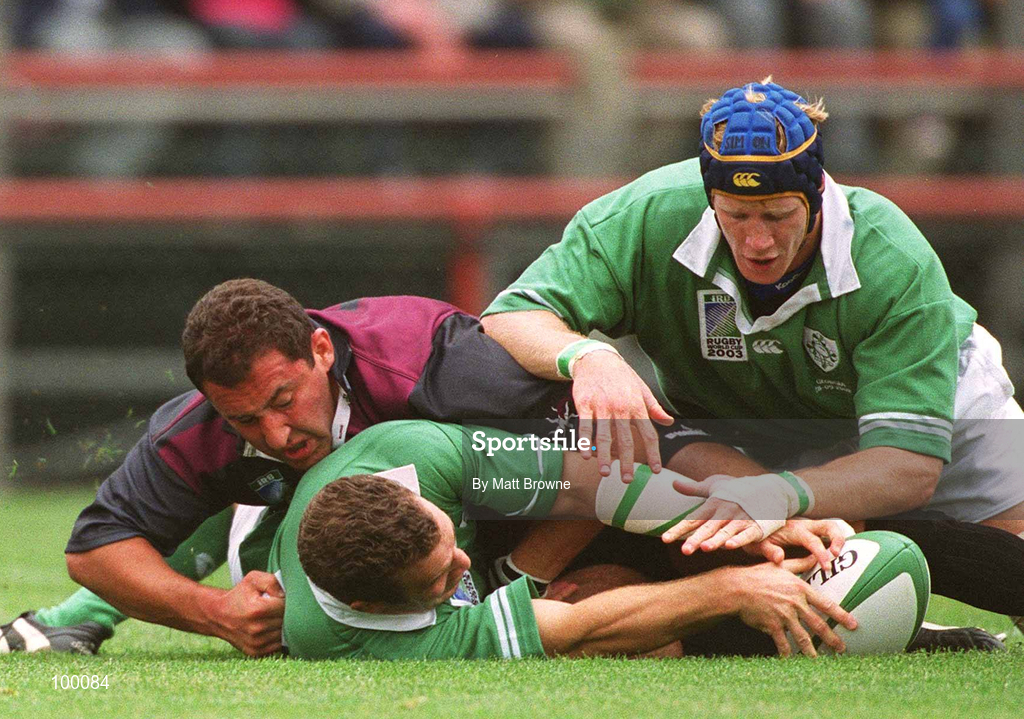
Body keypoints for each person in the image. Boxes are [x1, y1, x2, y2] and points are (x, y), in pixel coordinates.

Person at [479, 79, 1024, 628]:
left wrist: (779, 491)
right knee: (746, 568)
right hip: (751, 429)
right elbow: (511, 316)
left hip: (943, 398)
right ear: (709, 195)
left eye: (777, 214)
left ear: (815, 196)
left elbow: (906, 468)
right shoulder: (645, 217)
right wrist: (588, 358)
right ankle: (911, 628)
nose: (757, 241)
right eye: (736, 215)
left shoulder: (891, 256)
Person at [1, 279, 569, 656]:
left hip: (508, 510)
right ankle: (70, 621)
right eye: (245, 419)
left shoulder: (430, 363)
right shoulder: (203, 428)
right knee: (248, 482)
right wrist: (216, 612)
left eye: (282, 400)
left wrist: (524, 572)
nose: (276, 434)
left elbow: (602, 460)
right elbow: (95, 549)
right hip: (299, 534)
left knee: (604, 593)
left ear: (321, 350)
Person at [255, 419, 858, 660]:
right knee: (647, 649)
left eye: (450, 543)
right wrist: (734, 588)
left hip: (494, 551)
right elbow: (578, 631)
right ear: (373, 606)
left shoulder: (411, 452)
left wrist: (751, 517)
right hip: (264, 564)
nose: (459, 563)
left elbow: (589, 483)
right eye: (439, 579)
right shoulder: (354, 638)